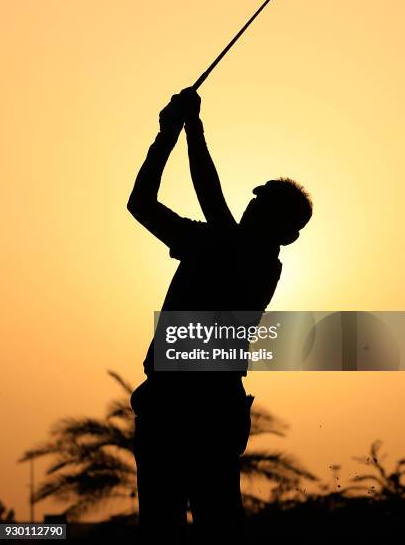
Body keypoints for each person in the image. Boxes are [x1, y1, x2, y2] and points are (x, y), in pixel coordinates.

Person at [127, 87, 312, 543]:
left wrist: (189, 126)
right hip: (170, 402)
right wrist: (167, 135)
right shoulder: (212, 242)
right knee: (164, 527)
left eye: (262, 206)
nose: (250, 205)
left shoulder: (255, 262)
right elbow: (140, 204)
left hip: (206, 409)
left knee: (216, 526)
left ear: (283, 235)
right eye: (254, 200)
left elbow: (210, 196)